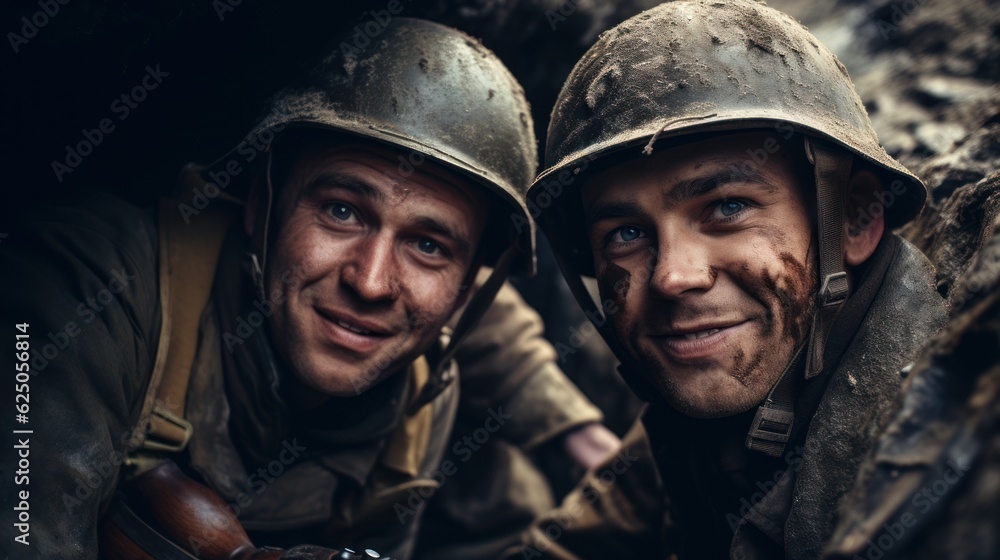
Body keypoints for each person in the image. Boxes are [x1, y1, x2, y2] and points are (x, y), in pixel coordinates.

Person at [0, 18, 618, 560]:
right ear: (262, 206)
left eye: (429, 246)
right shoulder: (91, 284)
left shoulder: (420, 402)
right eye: (342, 212)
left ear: (466, 291)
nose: (370, 282)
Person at [502, 1, 949, 558]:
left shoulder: (937, 467)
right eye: (625, 234)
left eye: (729, 206)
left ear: (853, 218)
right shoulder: (706, 410)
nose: (672, 277)